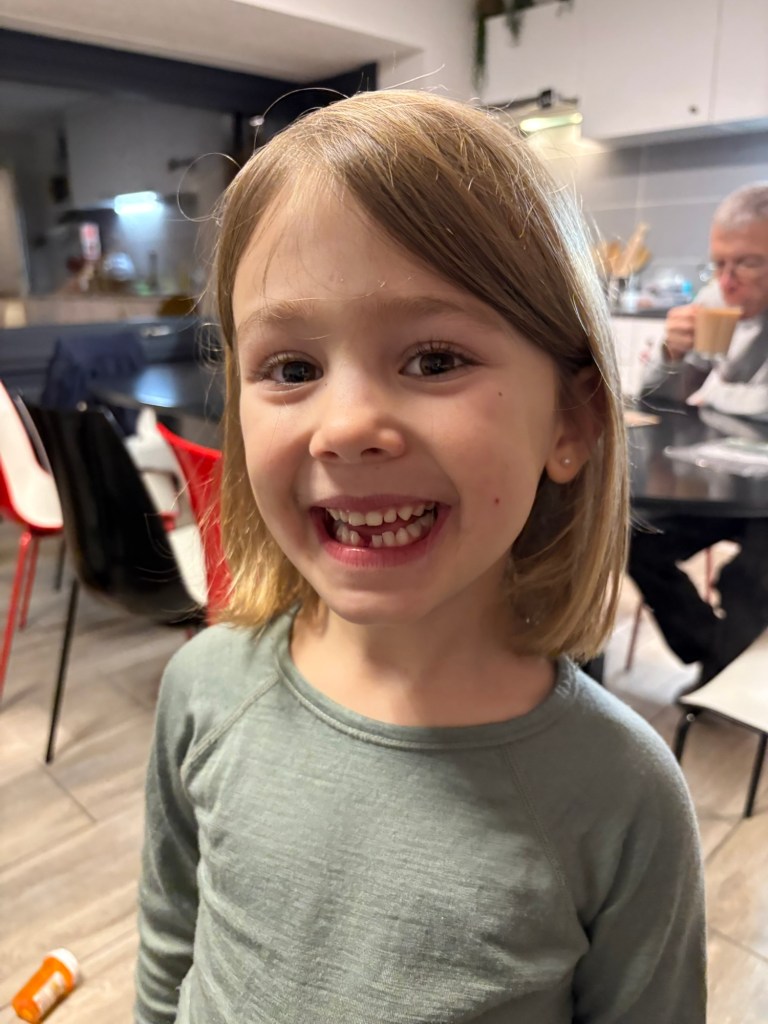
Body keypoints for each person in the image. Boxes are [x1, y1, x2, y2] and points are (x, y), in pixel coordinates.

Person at [134, 90, 706, 1024]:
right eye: (291, 369)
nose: (347, 426)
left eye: (435, 359)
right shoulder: (202, 690)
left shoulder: (623, 797)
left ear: (572, 420)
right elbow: (169, 955)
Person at [629, 183, 768, 686]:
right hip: (726, 478)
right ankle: (714, 657)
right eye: (719, 264)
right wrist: (671, 355)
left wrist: (713, 393)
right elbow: (654, 400)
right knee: (631, 538)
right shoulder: (714, 302)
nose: (726, 282)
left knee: (750, 579)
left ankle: (723, 681)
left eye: (747, 263)